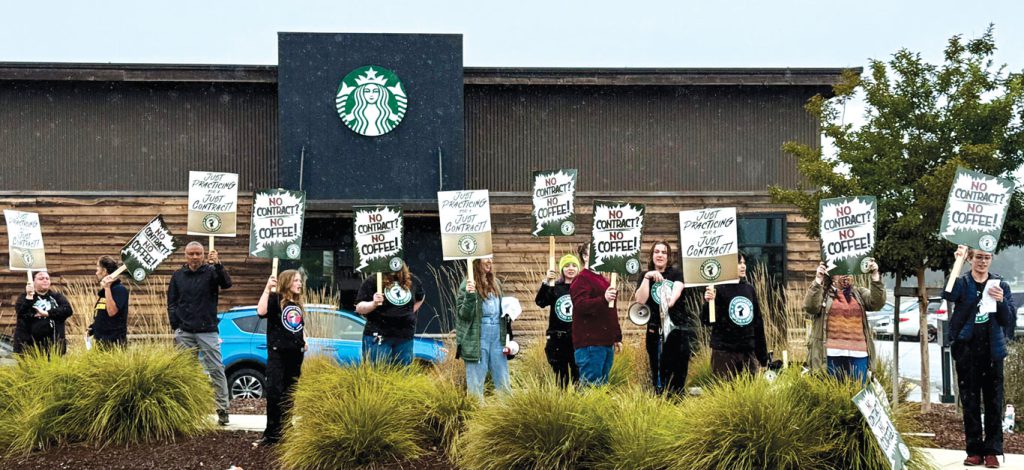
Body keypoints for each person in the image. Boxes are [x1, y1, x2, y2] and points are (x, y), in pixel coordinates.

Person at [944, 245, 1015, 468]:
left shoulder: (1000, 284)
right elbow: (947, 293)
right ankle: (974, 451)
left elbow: (1009, 319)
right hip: (967, 350)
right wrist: (958, 261)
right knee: (970, 402)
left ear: (991, 260)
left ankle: (993, 451)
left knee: (994, 402)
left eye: (986, 258)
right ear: (971, 259)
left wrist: (1002, 300)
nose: (982, 262)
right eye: (978, 258)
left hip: (993, 352)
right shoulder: (963, 283)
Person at [167, 241, 232, 425]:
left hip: (208, 330)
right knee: (185, 372)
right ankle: (186, 409)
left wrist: (218, 264)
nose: (195, 257)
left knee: (216, 369)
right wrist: (176, 326)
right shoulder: (178, 276)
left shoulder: (212, 273)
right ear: (185, 255)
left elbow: (226, 283)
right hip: (185, 331)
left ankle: (222, 409)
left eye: (198, 253)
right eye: (191, 254)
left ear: (203, 255)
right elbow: (171, 302)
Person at [802, 258, 884, 383]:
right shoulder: (823, 294)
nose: (845, 275)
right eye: (841, 271)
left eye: (848, 271)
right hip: (830, 354)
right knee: (831, 393)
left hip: (859, 354)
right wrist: (818, 279)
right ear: (832, 275)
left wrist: (875, 275)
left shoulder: (858, 293)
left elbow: (876, 303)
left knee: (858, 393)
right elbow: (810, 307)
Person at [254, 270, 307, 447]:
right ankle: (272, 433)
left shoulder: (297, 304)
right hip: (278, 353)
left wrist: (304, 339)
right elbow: (261, 311)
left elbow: (298, 326)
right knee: (275, 392)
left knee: (289, 393)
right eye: (296, 280)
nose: (300, 283)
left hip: (295, 353)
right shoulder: (276, 299)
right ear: (287, 282)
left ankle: (286, 428)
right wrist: (268, 288)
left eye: (300, 280)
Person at [633, 241, 688, 394]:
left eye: (664, 252)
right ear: (652, 255)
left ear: (668, 256)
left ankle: (677, 401)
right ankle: (660, 398)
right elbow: (640, 301)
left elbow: (677, 288)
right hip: (654, 331)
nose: (660, 255)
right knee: (657, 368)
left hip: (676, 329)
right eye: (656, 251)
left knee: (678, 370)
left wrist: (670, 300)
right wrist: (647, 277)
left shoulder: (676, 273)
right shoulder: (645, 275)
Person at [701, 252, 768, 379]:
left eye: (744, 263)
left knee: (749, 392)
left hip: (747, 350)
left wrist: (762, 355)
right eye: (739, 263)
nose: (743, 266)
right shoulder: (718, 288)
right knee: (724, 392)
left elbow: (757, 322)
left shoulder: (749, 289)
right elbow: (707, 321)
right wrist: (709, 302)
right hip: (724, 351)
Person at [456, 257, 511, 399]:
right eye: (486, 258)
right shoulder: (466, 285)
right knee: (475, 380)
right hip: (478, 337)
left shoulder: (496, 283)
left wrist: (510, 311)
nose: (490, 261)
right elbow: (464, 315)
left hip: (497, 335)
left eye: (491, 258)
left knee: (503, 378)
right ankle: (475, 415)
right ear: (476, 262)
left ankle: (507, 414)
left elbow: (503, 311)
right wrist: (469, 295)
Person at [571, 243, 623, 387]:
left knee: (601, 387)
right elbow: (581, 306)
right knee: (590, 388)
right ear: (585, 256)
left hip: (605, 342)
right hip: (590, 344)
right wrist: (603, 299)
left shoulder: (602, 279)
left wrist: (616, 336)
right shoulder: (581, 279)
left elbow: (610, 311)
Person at [354, 262, 425, 366]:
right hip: (378, 334)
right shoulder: (373, 280)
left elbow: (421, 296)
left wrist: (410, 310)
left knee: (403, 375)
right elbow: (359, 308)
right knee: (378, 374)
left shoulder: (412, 280)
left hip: (405, 336)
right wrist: (373, 304)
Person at [535, 253, 580, 387]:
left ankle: (578, 404)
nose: (570, 268)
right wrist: (546, 282)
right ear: (561, 269)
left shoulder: (581, 288)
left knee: (578, 375)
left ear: (578, 269)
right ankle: (562, 403)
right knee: (561, 377)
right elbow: (541, 301)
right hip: (557, 338)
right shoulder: (555, 287)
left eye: (573, 265)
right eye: (566, 266)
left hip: (576, 338)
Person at [14, 271, 73, 355]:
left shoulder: (56, 297)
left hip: (54, 346)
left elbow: (67, 310)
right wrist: (29, 297)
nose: (45, 280)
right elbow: (22, 314)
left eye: (47, 278)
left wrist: (47, 313)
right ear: (33, 282)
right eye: (41, 279)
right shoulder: (24, 297)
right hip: (29, 347)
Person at [88, 256, 129, 348]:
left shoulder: (119, 290)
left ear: (104, 271)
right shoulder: (105, 292)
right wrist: (92, 328)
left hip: (114, 344)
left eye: (97, 269)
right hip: (101, 342)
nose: (96, 273)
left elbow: (112, 312)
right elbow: (103, 316)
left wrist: (107, 288)